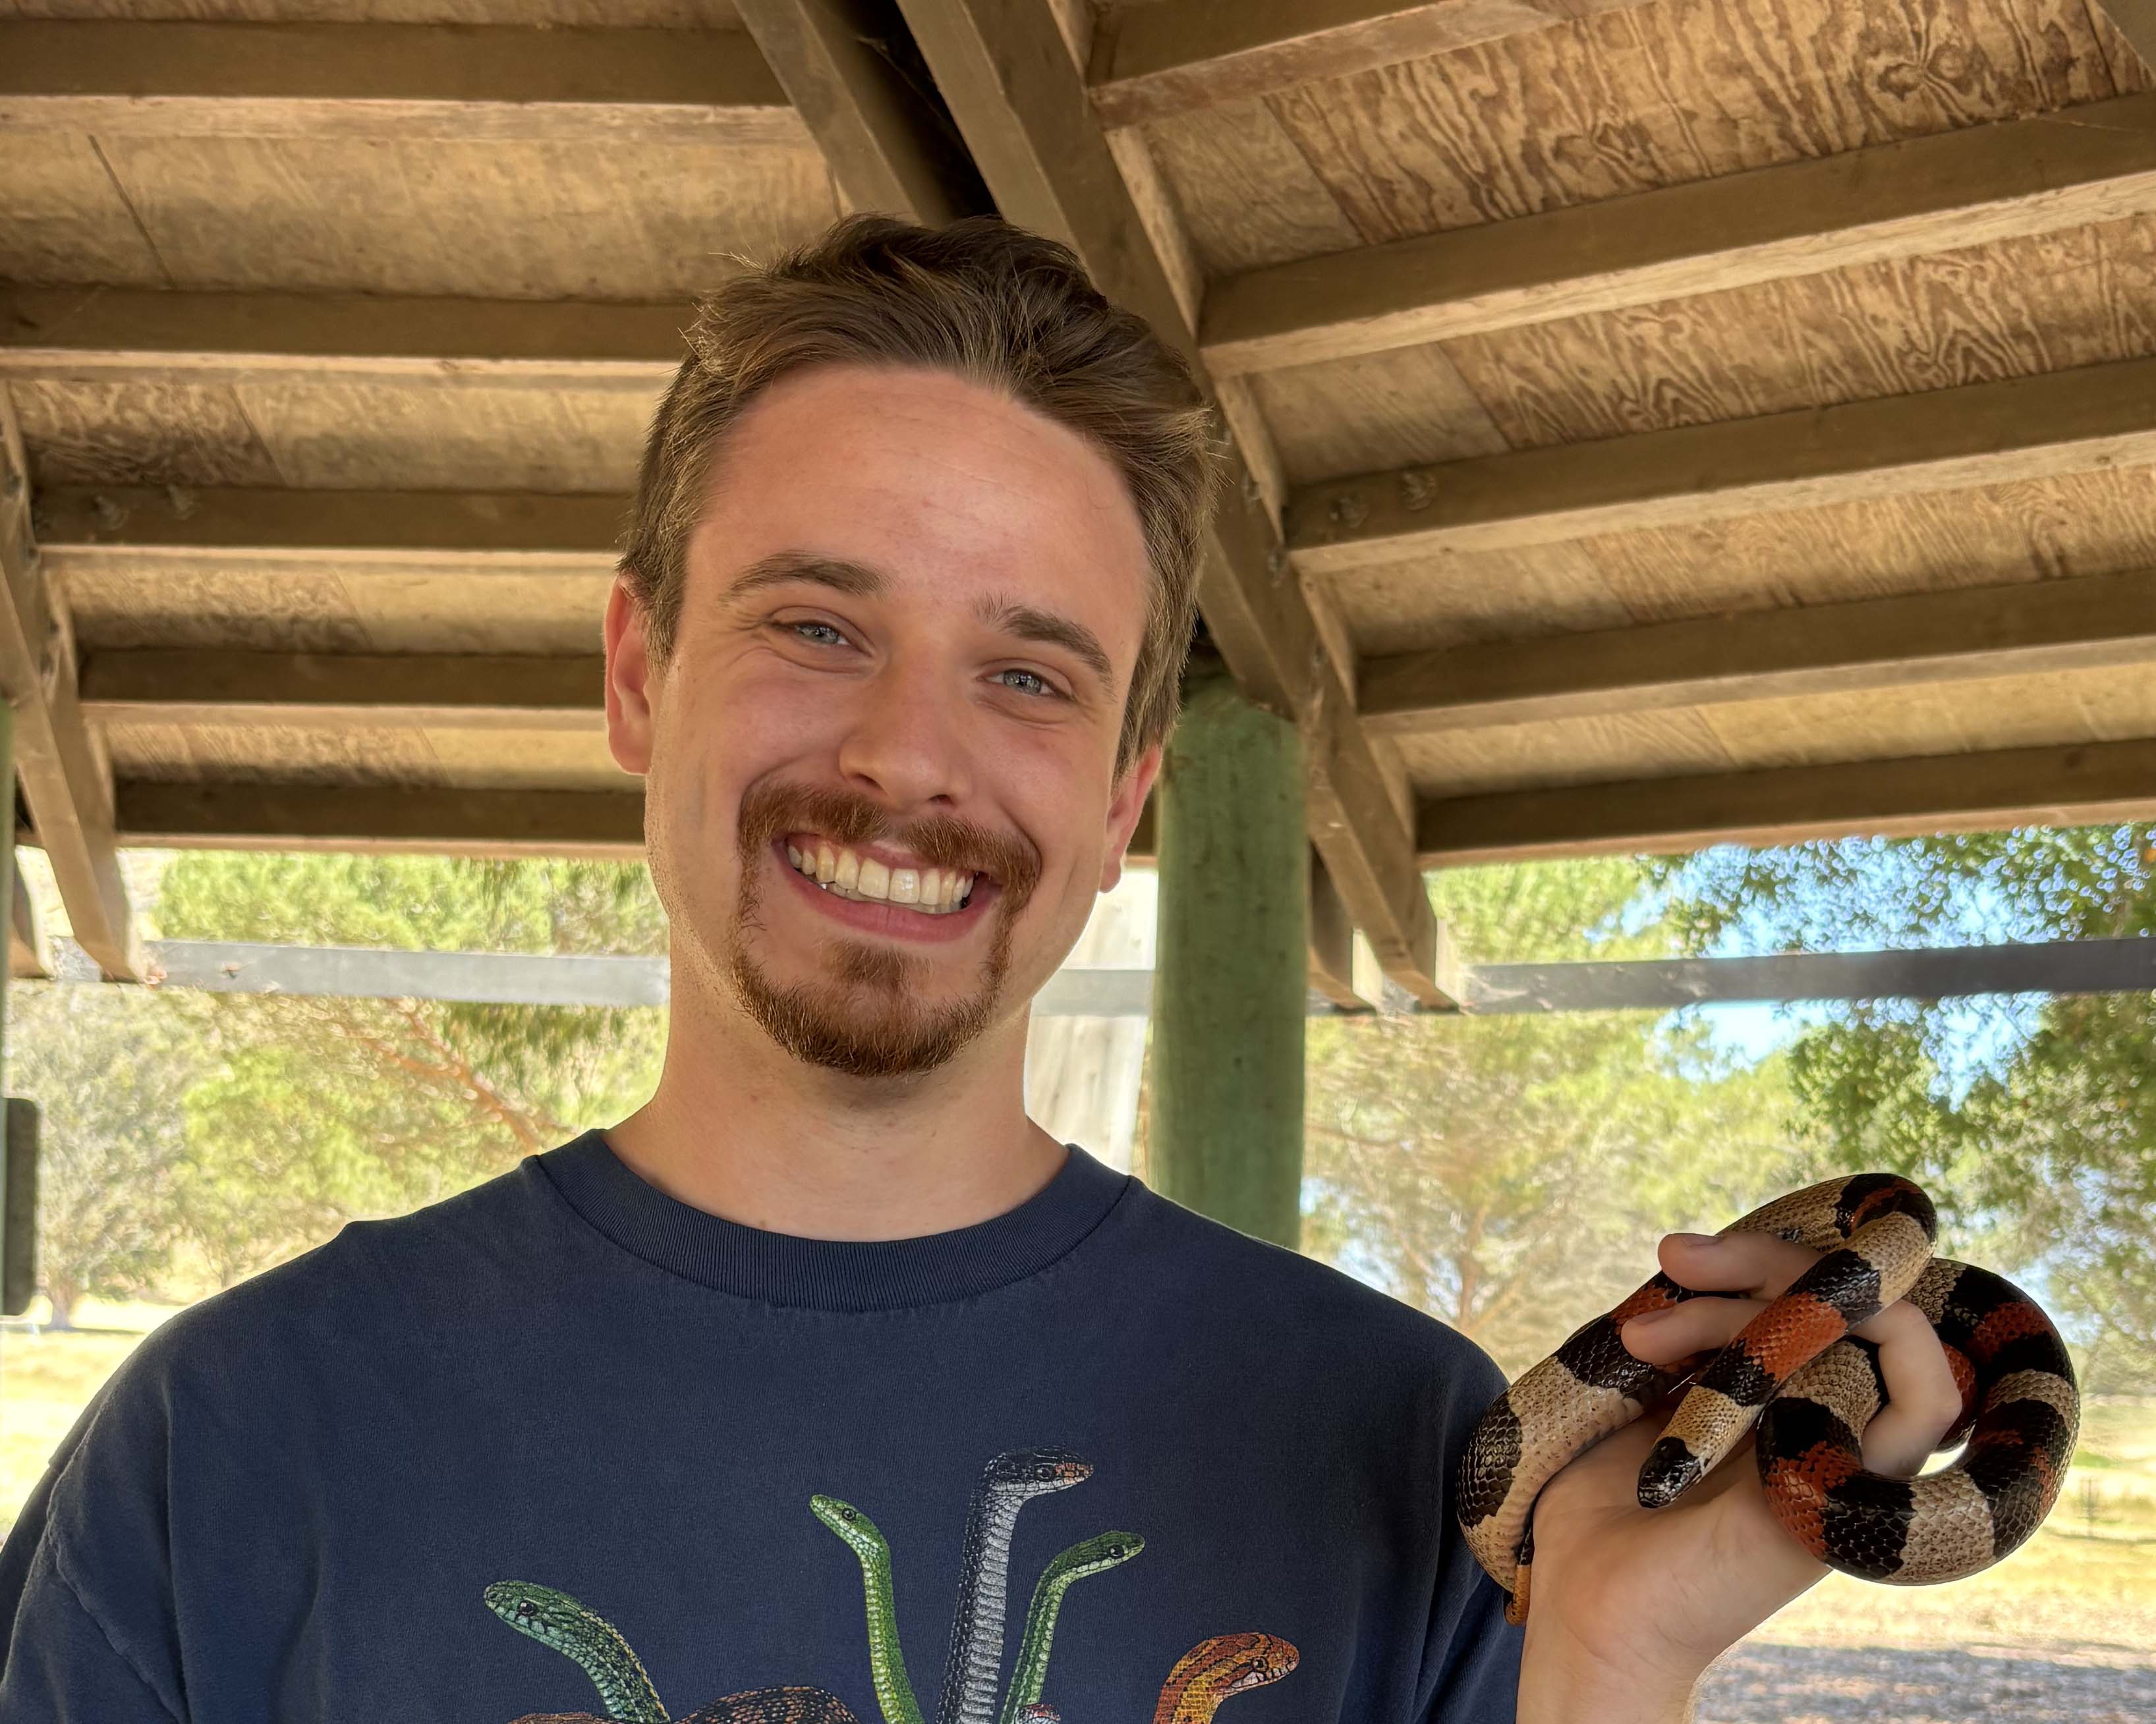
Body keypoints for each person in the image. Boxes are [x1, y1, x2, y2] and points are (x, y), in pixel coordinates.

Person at [0, 215, 1963, 1724]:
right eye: (815, 622)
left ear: (1124, 796)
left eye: (1027, 674)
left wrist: (1615, 1663)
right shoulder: (229, 1445)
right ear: (632, 671)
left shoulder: (1431, 1458)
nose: (911, 759)